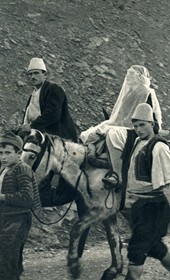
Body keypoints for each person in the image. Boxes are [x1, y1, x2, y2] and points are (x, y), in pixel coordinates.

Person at [123, 103, 170, 279]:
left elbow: (167, 184)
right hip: (140, 206)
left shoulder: (159, 148)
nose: (138, 129)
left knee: (136, 251)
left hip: (155, 207)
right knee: (154, 247)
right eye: (135, 126)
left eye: (142, 124)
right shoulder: (137, 142)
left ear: (152, 123)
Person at [0, 131, 41, 280]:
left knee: (6, 260)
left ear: (18, 153)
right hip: (5, 218)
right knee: (9, 261)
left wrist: (2, 197)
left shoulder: (22, 170)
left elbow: (27, 198)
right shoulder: (4, 168)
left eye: (8, 153)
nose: (3, 157)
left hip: (18, 220)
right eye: (1, 153)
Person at [19, 57, 77, 142]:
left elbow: (53, 114)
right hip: (38, 134)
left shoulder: (53, 89)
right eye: (30, 74)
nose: (33, 77)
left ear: (45, 75)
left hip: (57, 138)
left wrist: (31, 126)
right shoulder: (33, 94)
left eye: (36, 73)